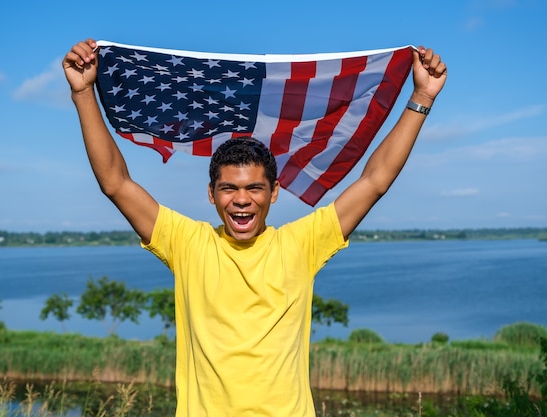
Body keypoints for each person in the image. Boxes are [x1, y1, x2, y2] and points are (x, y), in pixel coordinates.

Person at [63, 38, 447, 417]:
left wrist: (422, 98)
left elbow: (374, 181)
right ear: (212, 195)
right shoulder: (187, 242)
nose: (242, 200)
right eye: (228, 188)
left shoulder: (301, 244)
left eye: (254, 188)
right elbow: (116, 183)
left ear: (274, 193)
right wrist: (83, 93)